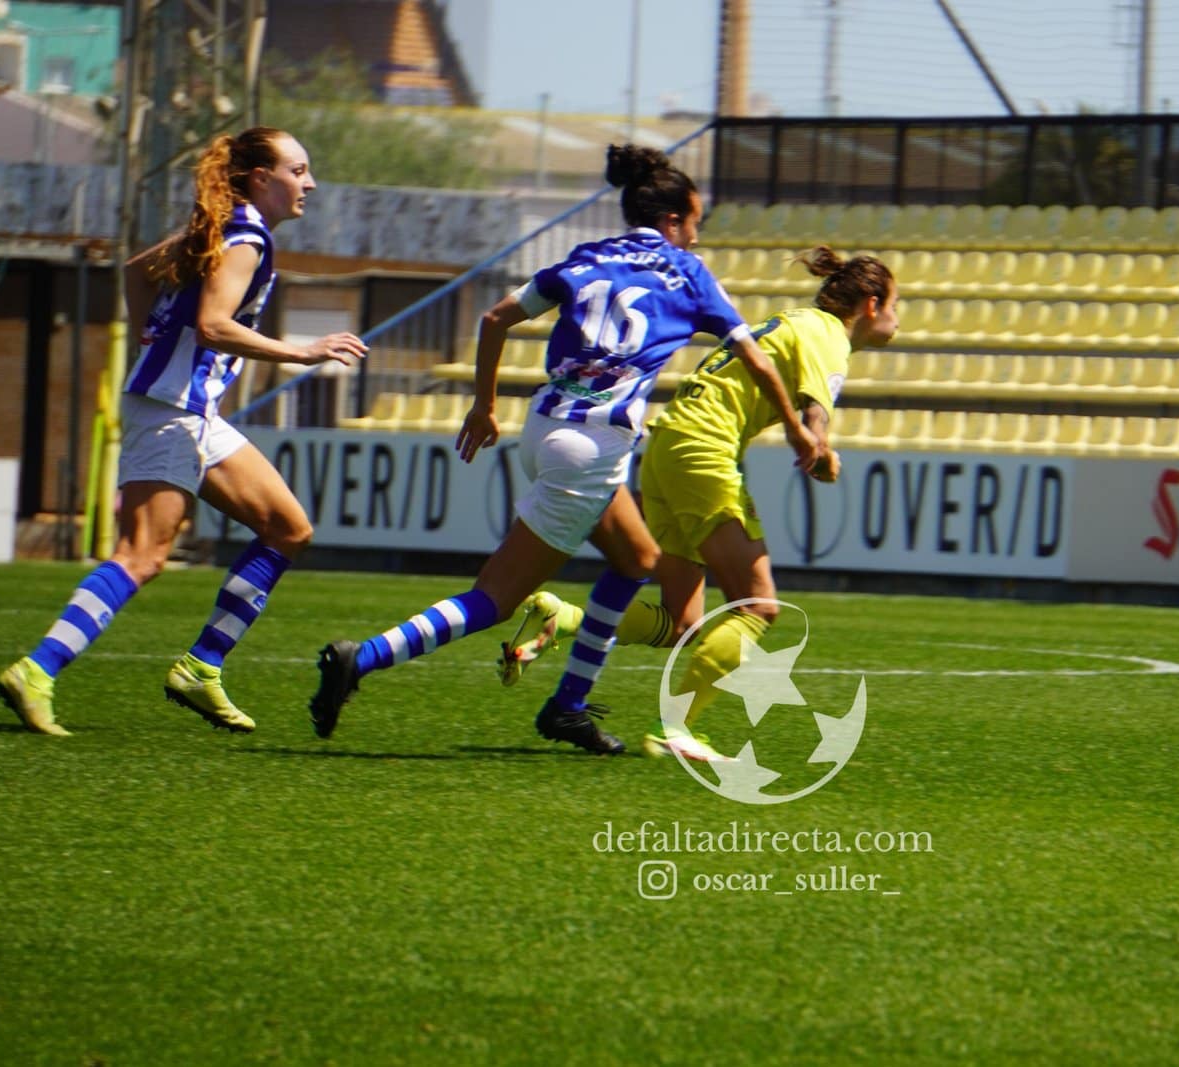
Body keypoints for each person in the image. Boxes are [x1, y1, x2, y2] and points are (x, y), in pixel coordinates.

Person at [307, 144, 821, 753]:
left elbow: (496, 318)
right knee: (494, 599)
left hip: (545, 425)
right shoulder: (686, 273)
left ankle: (568, 707)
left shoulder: (587, 257)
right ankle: (360, 659)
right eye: (696, 224)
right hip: (594, 449)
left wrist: (483, 406)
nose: (697, 237)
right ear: (675, 220)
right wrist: (795, 426)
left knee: (637, 558)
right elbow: (756, 358)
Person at [0, 126, 368, 736]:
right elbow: (215, 324)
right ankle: (38, 671)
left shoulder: (224, 227)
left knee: (288, 529)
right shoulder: (246, 235)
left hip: (189, 410)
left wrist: (153, 341)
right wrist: (302, 353)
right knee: (141, 556)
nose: (311, 183)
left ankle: (202, 667)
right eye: (298, 171)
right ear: (259, 178)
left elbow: (137, 274)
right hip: (171, 409)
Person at [500, 246, 898, 762]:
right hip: (704, 451)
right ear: (870, 305)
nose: (895, 318)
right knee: (758, 606)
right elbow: (815, 415)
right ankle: (677, 729)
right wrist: (821, 454)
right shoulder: (828, 335)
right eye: (894, 304)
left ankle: (563, 618)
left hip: (668, 446)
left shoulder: (793, 322)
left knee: (681, 620)